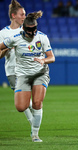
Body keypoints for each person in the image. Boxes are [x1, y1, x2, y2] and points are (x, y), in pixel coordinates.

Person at [0, 10, 55, 142]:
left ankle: (35, 135)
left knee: (37, 103)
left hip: (40, 73)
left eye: (34, 29)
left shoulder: (42, 37)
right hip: (23, 75)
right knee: (20, 107)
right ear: (23, 28)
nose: (32, 32)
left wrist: (43, 60)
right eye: (29, 30)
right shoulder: (15, 38)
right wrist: (6, 50)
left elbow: (51, 57)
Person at [0, 0, 34, 134]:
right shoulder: (3, 33)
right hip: (13, 70)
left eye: (25, 14)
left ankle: (34, 126)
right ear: (14, 16)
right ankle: (33, 126)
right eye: (22, 14)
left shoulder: (27, 31)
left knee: (29, 101)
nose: (24, 17)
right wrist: (7, 49)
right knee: (25, 101)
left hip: (28, 69)